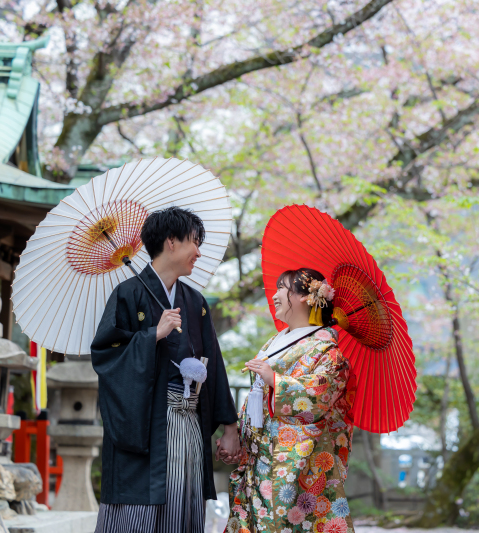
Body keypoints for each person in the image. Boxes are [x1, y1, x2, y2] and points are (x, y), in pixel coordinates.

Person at [91, 206, 241, 533]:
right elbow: (105, 354)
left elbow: (212, 364)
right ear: (171, 242)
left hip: (188, 422)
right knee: (139, 512)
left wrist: (230, 426)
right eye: (194, 242)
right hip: (144, 425)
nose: (198, 252)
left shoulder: (195, 301)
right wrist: (151, 336)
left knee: (182, 507)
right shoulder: (128, 294)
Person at [224, 268, 356, 533]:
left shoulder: (327, 351)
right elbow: (256, 401)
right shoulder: (276, 342)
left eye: (282, 288)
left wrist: (275, 379)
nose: (274, 296)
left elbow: (319, 396)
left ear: (307, 297)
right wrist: (236, 435)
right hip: (259, 457)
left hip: (295, 464)